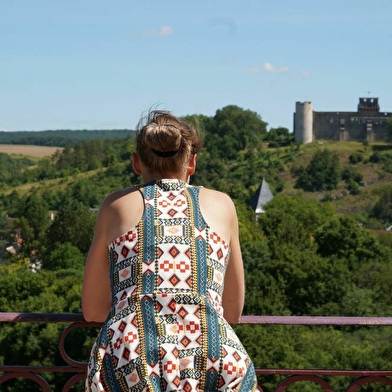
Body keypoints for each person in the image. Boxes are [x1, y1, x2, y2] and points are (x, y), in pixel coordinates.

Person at [82, 110, 258, 391]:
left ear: (136, 163)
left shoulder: (115, 206)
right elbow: (233, 311)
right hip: (212, 354)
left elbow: (92, 310)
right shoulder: (222, 205)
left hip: (131, 356)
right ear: (192, 163)